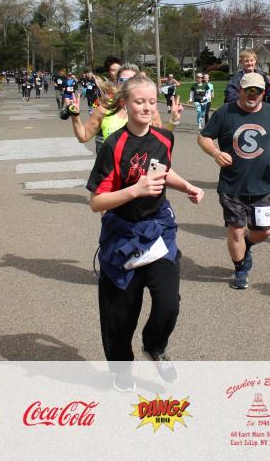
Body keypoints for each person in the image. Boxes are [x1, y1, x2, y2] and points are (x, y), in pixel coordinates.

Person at [86, 74, 204, 391]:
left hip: (158, 230)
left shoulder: (164, 138)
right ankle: (121, 371)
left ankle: (154, 345)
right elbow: (96, 202)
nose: (148, 107)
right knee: (120, 317)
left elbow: (162, 171)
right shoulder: (113, 146)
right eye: (140, 101)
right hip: (122, 236)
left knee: (168, 302)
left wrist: (187, 186)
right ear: (125, 104)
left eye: (152, 102)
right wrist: (135, 191)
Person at [198, 72, 270, 289]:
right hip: (232, 186)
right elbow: (203, 137)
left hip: (262, 185)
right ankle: (240, 269)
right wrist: (216, 153)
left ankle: (246, 245)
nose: (252, 94)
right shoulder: (225, 112)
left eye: (257, 91)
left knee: (265, 231)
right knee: (236, 230)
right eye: (248, 90)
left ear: (263, 93)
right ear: (240, 90)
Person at [72, 64, 182, 153]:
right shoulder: (105, 109)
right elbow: (84, 136)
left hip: (140, 168)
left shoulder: (147, 110)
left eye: (131, 80)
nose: (127, 85)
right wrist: (75, 115)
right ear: (117, 82)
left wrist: (173, 120)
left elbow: (161, 137)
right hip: (111, 170)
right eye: (123, 80)